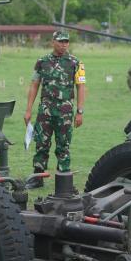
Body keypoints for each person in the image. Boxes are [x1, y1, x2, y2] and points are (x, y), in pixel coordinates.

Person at [23, 31, 86, 188]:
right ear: (53, 42)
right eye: (60, 41)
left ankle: (63, 180)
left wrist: (79, 112)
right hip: (45, 109)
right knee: (41, 143)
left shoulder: (76, 63)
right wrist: (28, 110)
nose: (64, 44)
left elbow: (81, 87)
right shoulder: (42, 61)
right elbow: (34, 85)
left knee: (63, 144)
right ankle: (37, 177)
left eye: (66, 42)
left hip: (65, 109)